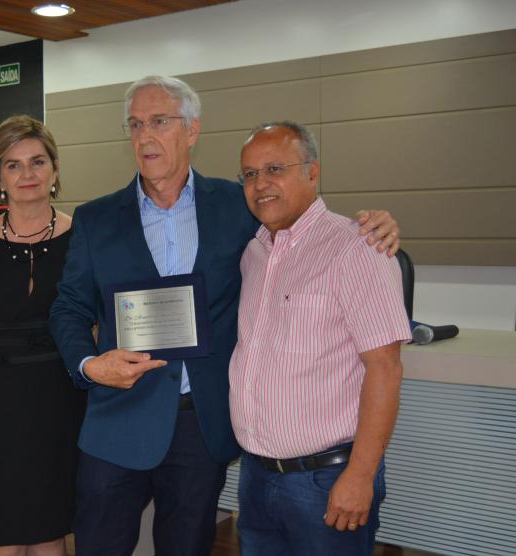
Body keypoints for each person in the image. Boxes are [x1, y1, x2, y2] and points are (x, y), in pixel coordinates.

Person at [49, 75, 401, 556]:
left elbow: (304, 218)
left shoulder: (241, 206)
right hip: (118, 421)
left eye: (159, 121)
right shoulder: (95, 218)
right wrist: (90, 365)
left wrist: (377, 224)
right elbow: (69, 306)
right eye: (134, 125)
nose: (145, 136)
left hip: (202, 427)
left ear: (191, 130)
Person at [229, 121, 412, 555]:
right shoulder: (253, 253)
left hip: (327, 480)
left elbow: (385, 369)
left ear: (313, 172)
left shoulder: (357, 248)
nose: (261, 184)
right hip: (256, 476)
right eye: (250, 174)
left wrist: (361, 475)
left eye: (275, 168)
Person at [0, 115, 86, 556]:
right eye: (13, 165)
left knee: (50, 537)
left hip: (59, 403)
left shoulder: (84, 238)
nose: (27, 174)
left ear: (55, 170)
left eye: (38, 161)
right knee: (3, 541)